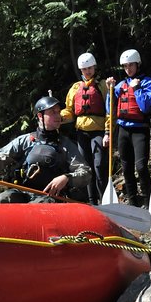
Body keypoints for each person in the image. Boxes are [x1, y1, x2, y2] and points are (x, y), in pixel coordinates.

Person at [0, 96, 92, 203]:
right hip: (21, 191)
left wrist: (66, 178)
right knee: (3, 199)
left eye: (58, 112)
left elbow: (85, 172)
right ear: (40, 116)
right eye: (52, 112)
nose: (58, 116)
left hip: (49, 196)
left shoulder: (65, 144)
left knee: (41, 205)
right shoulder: (25, 141)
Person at [104, 49, 151, 208]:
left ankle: (148, 202)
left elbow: (146, 107)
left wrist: (137, 89)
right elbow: (109, 109)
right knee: (126, 168)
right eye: (125, 66)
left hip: (140, 130)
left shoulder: (147, 82)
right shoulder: (120, 85)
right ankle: (133, 202)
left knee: (141, 167)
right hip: (123, 130)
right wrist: (110, 91)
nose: (128, 69)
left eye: (130, 65)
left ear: (137, 64)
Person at [61, 52, 110, 205]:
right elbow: (69, 111)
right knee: (86, 168)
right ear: (80, 70)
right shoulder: (75, 88)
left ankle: (105, 200)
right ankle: (92, 201)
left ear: (94, 67)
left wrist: (108, 131)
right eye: (84, 69)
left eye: (89, 68)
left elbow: (110, 110)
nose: (87, 71)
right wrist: (60, 117)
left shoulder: (103, 85)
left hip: (99, 131)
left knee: (99, 165)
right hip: (82, 132)